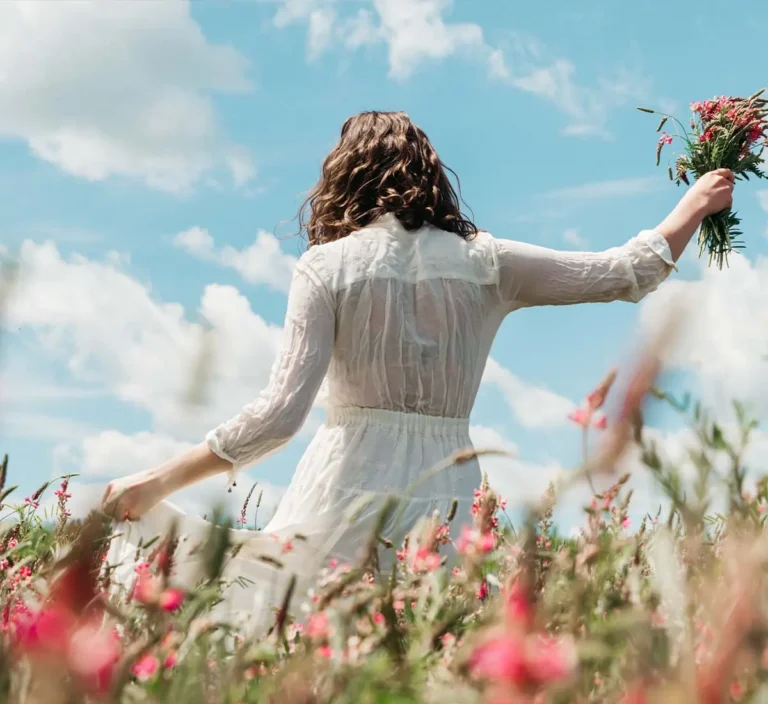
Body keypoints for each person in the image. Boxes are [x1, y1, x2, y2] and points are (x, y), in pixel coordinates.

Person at [102, 111, 734, 629]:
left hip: (342, 487)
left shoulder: (326, 267)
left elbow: (278, 417)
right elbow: (625, 273)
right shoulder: (487, 263)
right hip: (450, 493)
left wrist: (156, 482)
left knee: (307, 651)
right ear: (431, 177)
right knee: (436, 651)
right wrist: (695, 203)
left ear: (344, 178)